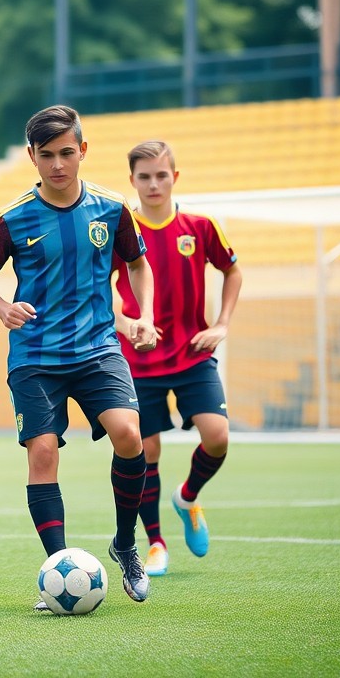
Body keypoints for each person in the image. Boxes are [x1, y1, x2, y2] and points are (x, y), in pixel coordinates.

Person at [0, 105, 159, 609]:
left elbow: (139, 265)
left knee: (129, 435)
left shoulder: (112, 209)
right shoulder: (12, 218)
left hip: (97, 347)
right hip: (34, 355)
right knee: (44, 452)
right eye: (47, 155)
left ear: (83, 151)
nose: (58, 164)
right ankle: (59, 570)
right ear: (31, 156)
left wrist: (143, 314)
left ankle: (124, 544)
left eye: (67, 153)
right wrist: (3, 309)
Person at [112, 140, 241, 577]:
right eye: (144, 176)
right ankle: (155, 544)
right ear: (132, 181)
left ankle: (187, 498)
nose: (153, 184)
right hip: (138, 360)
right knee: (145, 453)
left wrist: (220, 324)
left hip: (191, 353)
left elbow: (232, 271)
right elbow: (98, 285)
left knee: (218, 436)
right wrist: (126, 325)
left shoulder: (200, 226)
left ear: (175, 177)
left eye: (161, 175)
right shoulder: (119, 228)